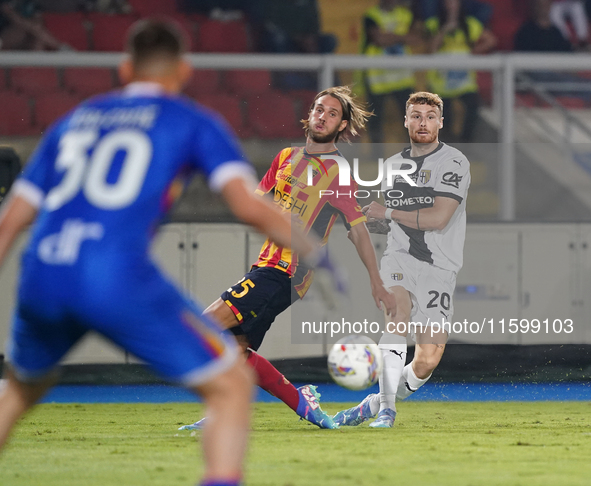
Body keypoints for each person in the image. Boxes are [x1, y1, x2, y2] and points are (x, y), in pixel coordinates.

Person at [0, 19, 319, 486]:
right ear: (184, 70)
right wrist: (310, 246)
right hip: (112, 273)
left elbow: (10, 221)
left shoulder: (76, 119)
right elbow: (246, 203)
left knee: (20, 389)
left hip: (42, 273)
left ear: (125, 68)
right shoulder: (190, 119)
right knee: (230, 384)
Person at [180, 86, 398, 431]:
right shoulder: (285, 158)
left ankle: (239, 409)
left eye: (331, 113)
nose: (322, 116)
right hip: (264, 266)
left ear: (342, 126)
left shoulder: (339, 172)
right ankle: (299, 402)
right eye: (318, 109)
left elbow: (357, 230)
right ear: (309, 114)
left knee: (202, 328)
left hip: (286, 273)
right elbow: (255, 203)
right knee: (236, 352)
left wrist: (377, 282)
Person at [332, 91, 470, 428]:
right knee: (398, 314)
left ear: (440, 122)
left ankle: (372, 403)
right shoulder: (393, 165)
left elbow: (438, 218)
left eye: (429, 116)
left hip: (440, 268)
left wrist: (387, 211)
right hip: (399, 259)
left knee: (426, 362)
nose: (422, 122)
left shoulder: (454, 162)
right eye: (416, 116)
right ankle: (387, 411)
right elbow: (393, 221)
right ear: (405, 120)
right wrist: (363, 225)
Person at [425, 0, 496, 143]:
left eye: (454, 3)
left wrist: (472, 53)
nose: (451, 6)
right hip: (441, 83)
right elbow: (430, 50)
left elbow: (491, 40)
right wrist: (445, 29)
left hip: (464, 81)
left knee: (474, 107)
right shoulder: (433, 24)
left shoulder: (469, 24)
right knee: (445, 118)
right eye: (447, 3)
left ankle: (465, 142)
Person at [358, 0, 422, 145]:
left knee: (412, 119)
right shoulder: (371, 16)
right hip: (378, 78)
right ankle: (377, 158)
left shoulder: (406, 14)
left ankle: (416, 155)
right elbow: (379, 39)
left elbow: (417, 38)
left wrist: (391, 36)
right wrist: (401, 37)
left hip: (401, 77)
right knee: (376, 120)